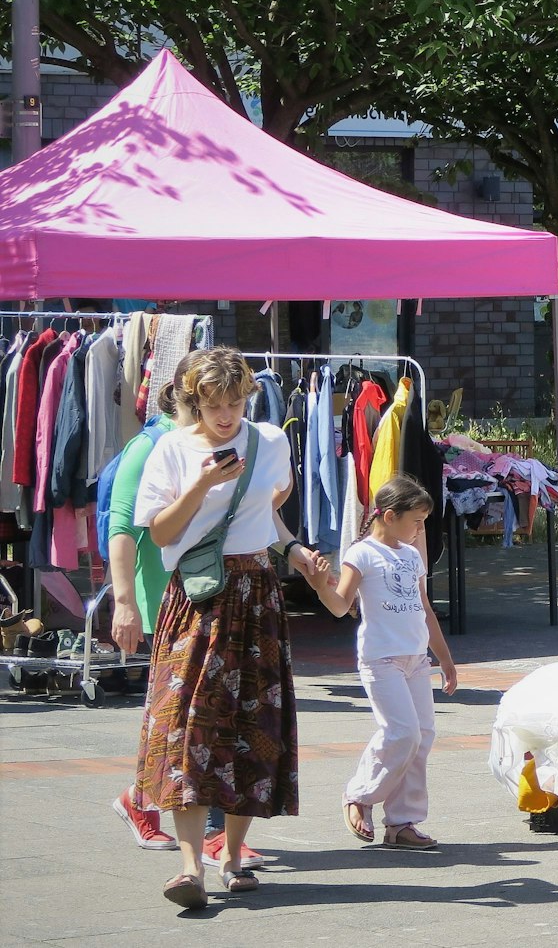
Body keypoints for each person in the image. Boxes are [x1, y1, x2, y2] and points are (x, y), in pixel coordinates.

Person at [134, 348, 314, 909]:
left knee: (249, 724)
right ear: (193, 401)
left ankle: (232, 854)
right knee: (186, 727)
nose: (227, 415)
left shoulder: (270, 442)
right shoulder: (171, 449)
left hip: (256, 593)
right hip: (196, 597)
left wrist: (291, 549)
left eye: (236, 402)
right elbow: (161, 535)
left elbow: (270, 503)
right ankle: (191, 869)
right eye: (215, 405)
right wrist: (200, 488)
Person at [299, 474, 458, 850]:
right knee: (402, 733)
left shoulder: (411, 554)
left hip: (416, 659)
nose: (421, 528)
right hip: (381, 659)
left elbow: (425, 610)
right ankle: (359, 794)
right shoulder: (363, 554)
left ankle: (402, 823)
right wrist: (321, 584)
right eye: (416, 521)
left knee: (422, 738)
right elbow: (340, 606)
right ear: (389, 515)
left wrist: (446, 660)